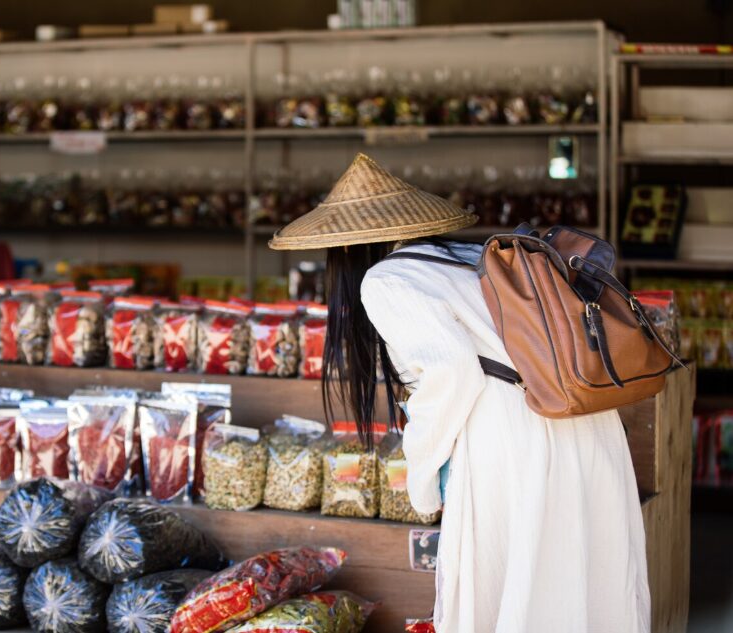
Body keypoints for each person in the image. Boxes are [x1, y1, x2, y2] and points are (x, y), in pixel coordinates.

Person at [269, 153, 650, 633]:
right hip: (582, 422)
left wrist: (421, 478)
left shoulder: (386, 280)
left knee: (511, 589)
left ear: (345, 248)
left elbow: (450, 376)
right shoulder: (468, 257)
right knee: (582, 583)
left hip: (516, 439)